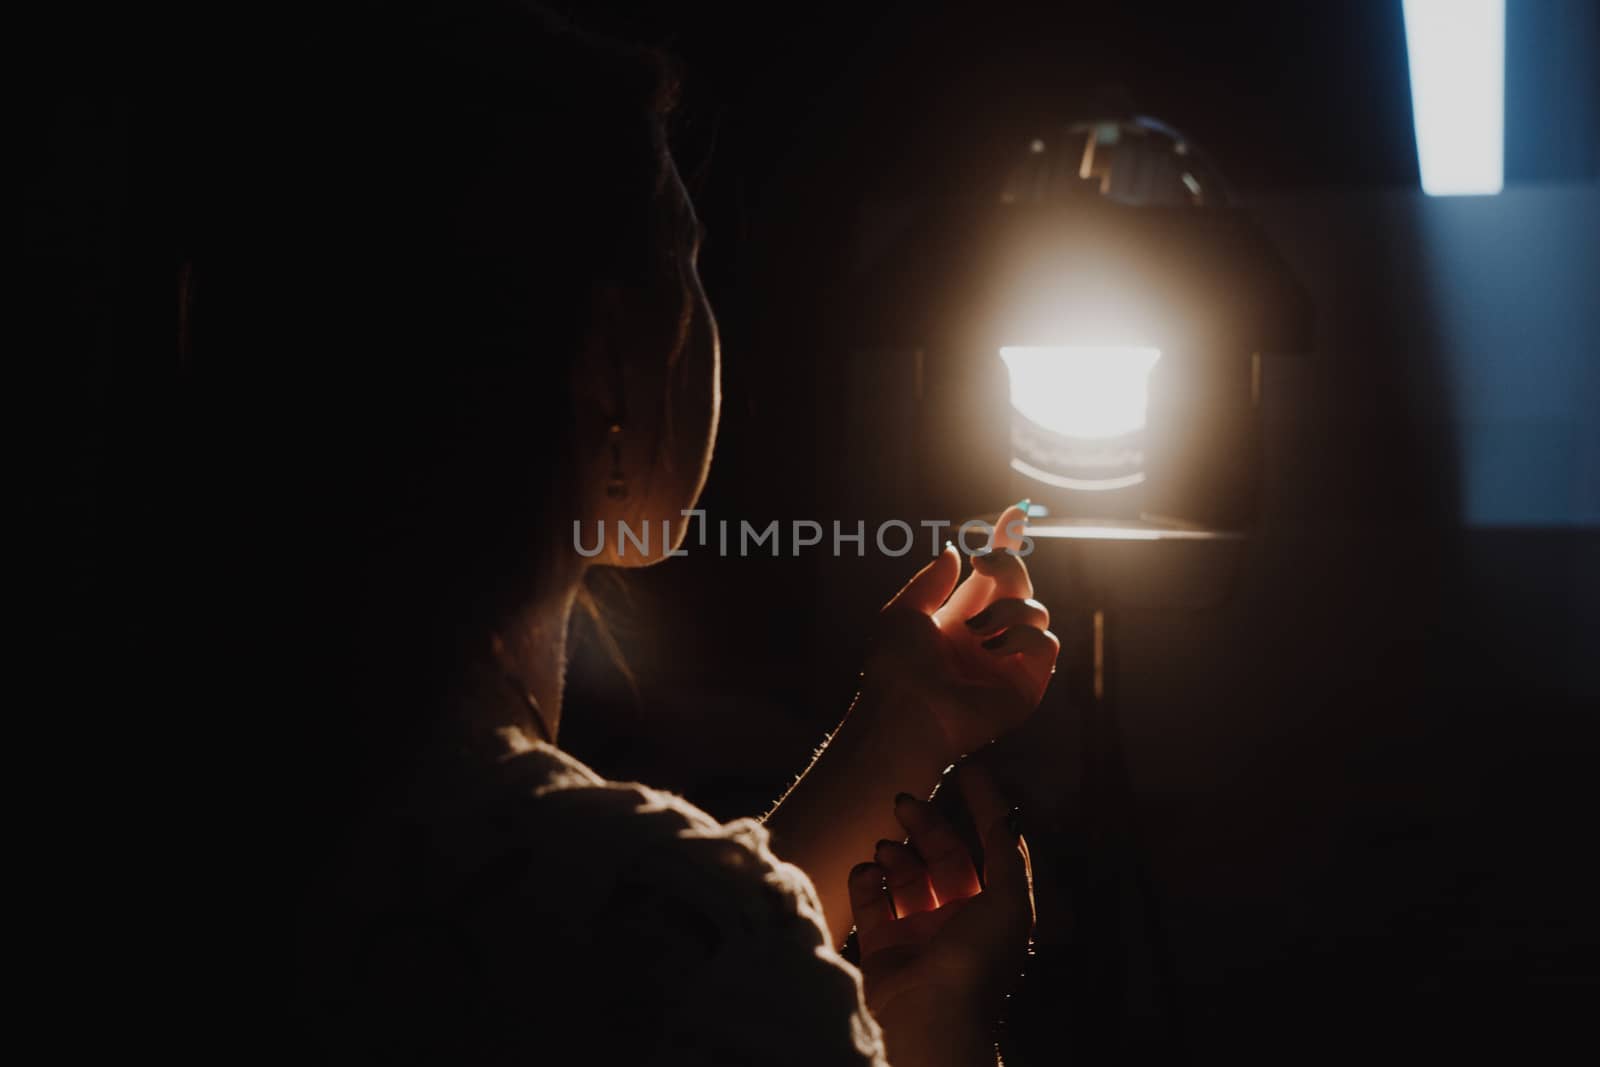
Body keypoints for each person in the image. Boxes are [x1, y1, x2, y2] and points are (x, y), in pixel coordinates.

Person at [180, 3, 1060, 1063]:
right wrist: (941, 1027)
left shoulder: (221, 808)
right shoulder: (671, 936)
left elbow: (611, 952)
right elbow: (674, 960)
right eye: (689, 259)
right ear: (603, 363)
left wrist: (905, 721)